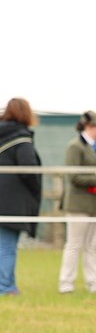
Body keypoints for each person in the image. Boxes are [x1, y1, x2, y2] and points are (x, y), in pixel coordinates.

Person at [59, 111, 96, 294]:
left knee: (91, 245)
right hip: (79, 204)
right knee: (74, 244)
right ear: (89, 127)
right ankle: (66, 283)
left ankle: (94, 283)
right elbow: (74, 176)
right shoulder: (75, 147)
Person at [0, 98, 42, 295]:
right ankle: (6, 287)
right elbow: (28, 170)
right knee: (7, 246)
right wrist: (35, 189)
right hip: (10, 203)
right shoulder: (21, 139)